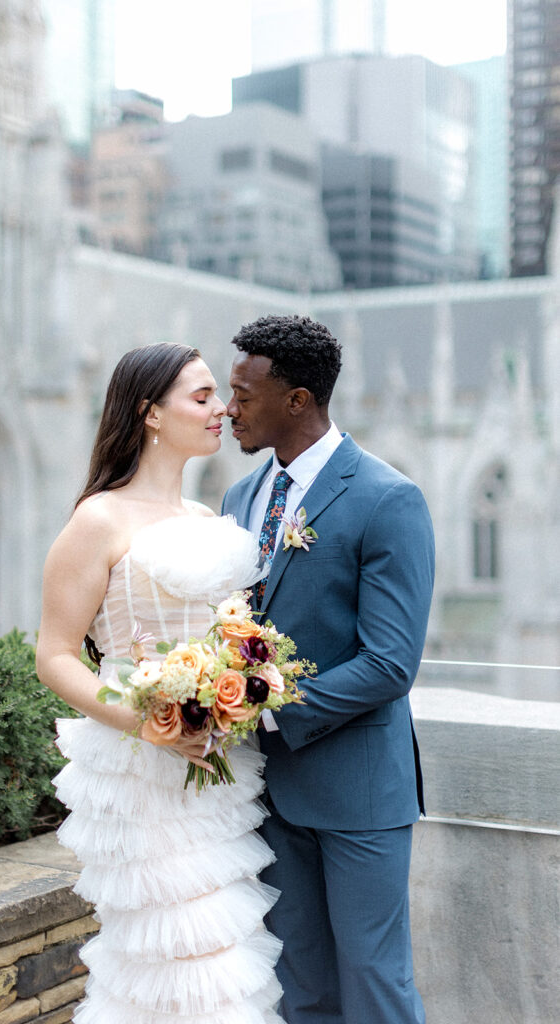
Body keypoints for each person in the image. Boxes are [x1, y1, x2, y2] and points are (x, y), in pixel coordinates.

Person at [36, 342, 285, 1024]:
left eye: (219, 397)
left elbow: (232, 639)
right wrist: (147, 723)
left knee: (223, 951)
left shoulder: (207, 520)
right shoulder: (98, 520)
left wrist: (244, 682)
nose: (222, 410)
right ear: (149, 413)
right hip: (138, 768)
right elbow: (55, 656)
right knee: (167, 956)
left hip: (216, 764)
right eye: (201, 397)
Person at [222, 315, 435, 1024]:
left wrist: (267, 706)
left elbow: (388, 663)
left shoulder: (386, 497)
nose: (230, 409)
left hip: (358, 795)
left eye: (244, 395)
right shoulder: (238, 499)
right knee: (299, 985)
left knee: (374, 983)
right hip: (266, 792)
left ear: (297, 401)